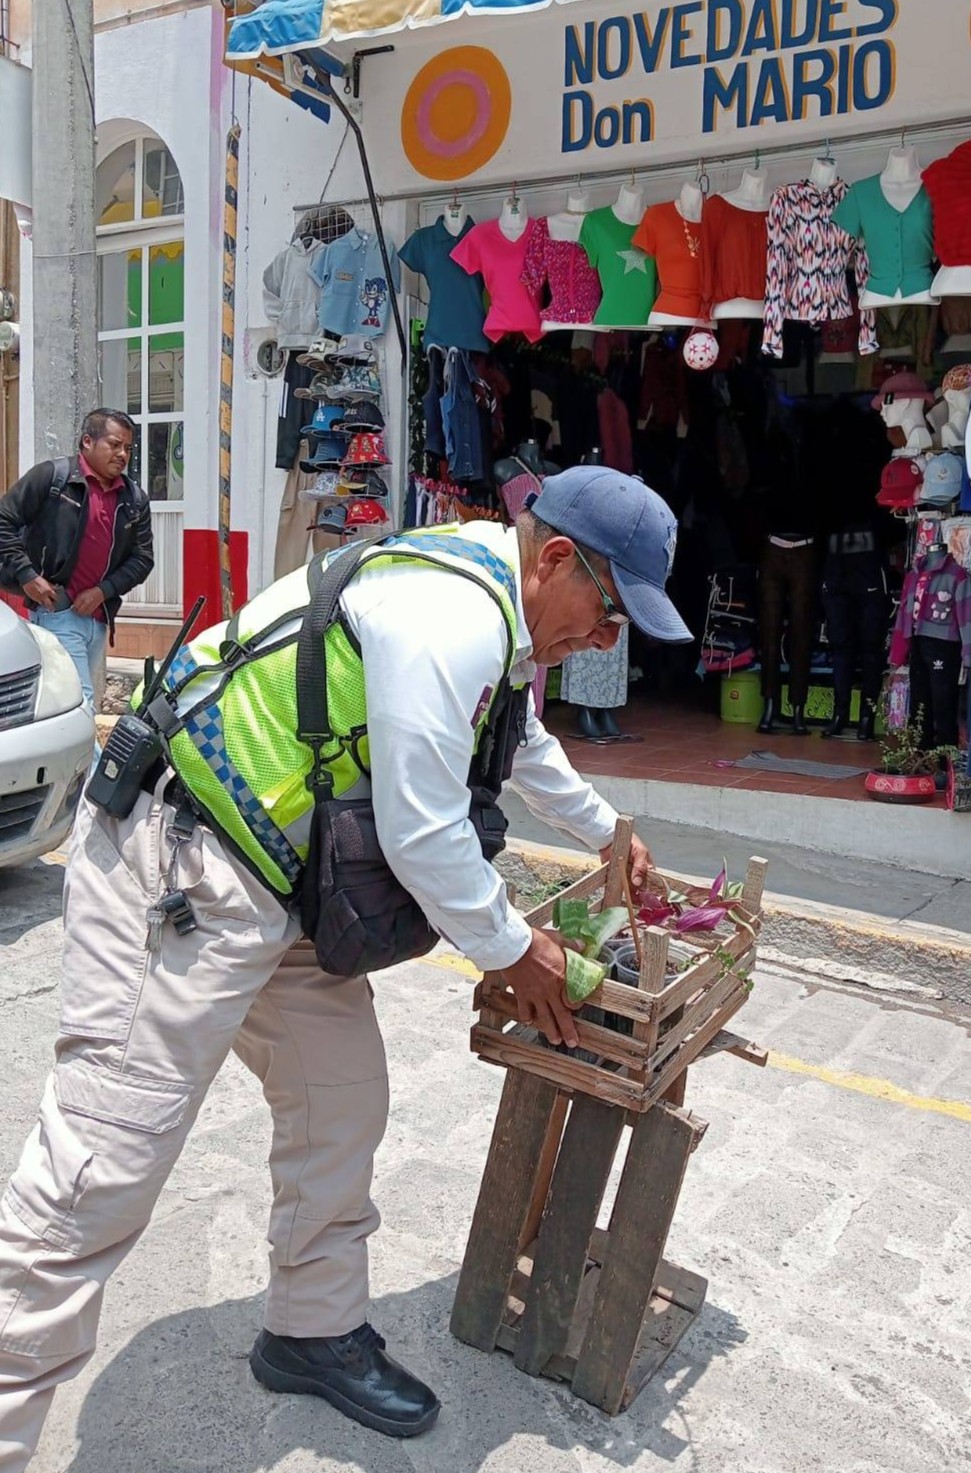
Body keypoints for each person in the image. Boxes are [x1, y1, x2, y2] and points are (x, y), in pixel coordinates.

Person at [0, 466, 691, 1468]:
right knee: (100, 1169)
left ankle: (310, 1328)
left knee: (342, 1102)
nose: (603, 641)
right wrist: (516, 949)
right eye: (610, 613)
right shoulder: (451, 616)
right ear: (554, 559)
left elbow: (516, 741)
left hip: (283, 885)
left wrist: (605, 831)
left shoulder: (493, 607)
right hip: (183, 865)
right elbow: (423, 832)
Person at [0, 409, 154, 729]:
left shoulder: (134, 499)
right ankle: (95, 765)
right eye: (114, 444)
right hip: (57, 610)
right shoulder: (52, 478)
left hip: (99, 618)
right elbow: (4, 521)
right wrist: (27, 575)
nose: (123, 454)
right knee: (80, 704)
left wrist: (103, 591)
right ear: (87, 441)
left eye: (128, 448)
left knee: (73, 705)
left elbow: (142, 559)